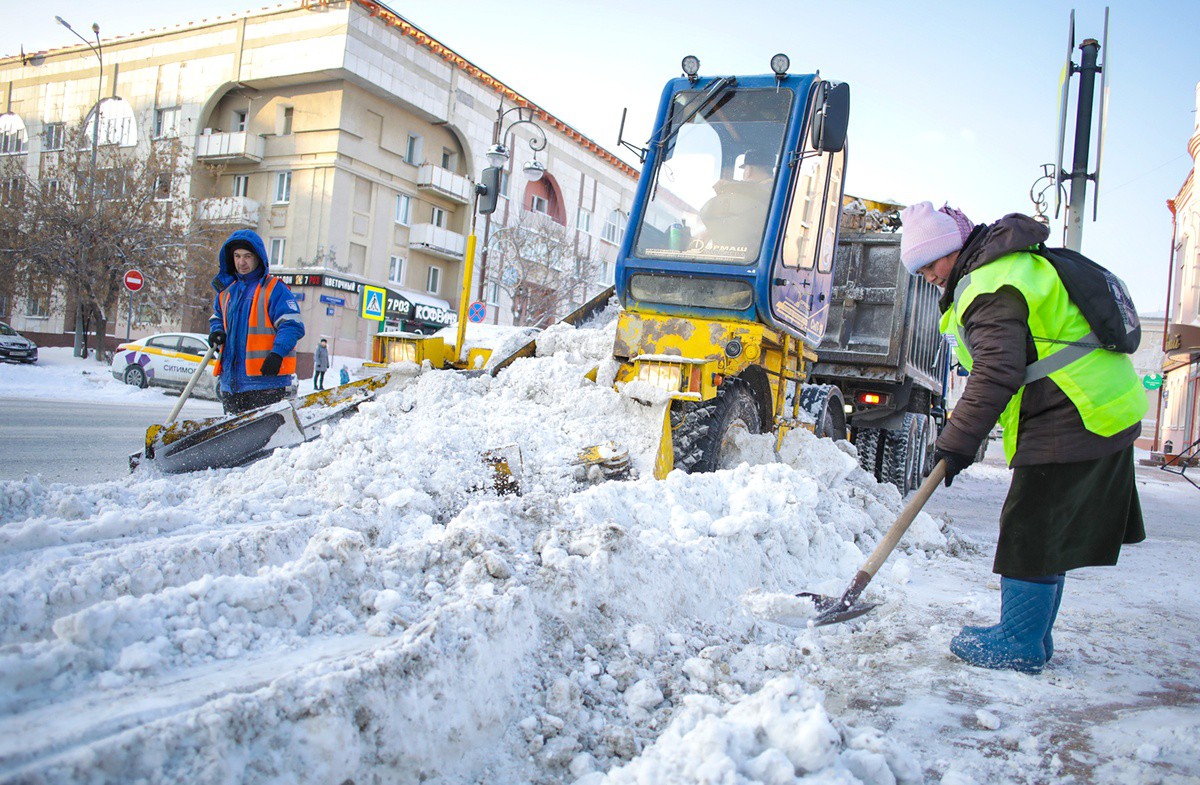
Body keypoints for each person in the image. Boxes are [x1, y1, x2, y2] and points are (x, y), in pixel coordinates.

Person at [899, 201, 1147, 674]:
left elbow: (996, 371)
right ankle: (1033, 635)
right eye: (919, 268)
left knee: (1030, 528)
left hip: (1075, 409)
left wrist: (955, 443)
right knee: (1045, 527)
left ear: (955, 248)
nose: (928, 274)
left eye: (932, 261)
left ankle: (1020, 641)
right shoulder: (1004, 268)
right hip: (1089, 403)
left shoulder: (990, 286)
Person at [208, 229, 305, 414]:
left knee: (263, 441)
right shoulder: (227, 291)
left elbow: (292, 325)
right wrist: (216, 330)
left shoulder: (274, 289)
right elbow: (217, 317)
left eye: (247, 256)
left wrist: (277, 354)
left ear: (258, 257)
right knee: (233, 441)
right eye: (237, 256)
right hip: (231, 383)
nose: (241, 262)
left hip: (265, 383)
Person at [697, 148, 776, 258]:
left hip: (750, 256)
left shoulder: (770, 190)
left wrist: (729, 186)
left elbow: (758, 190)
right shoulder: (774, 192)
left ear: (748, 170)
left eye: (745, 170)